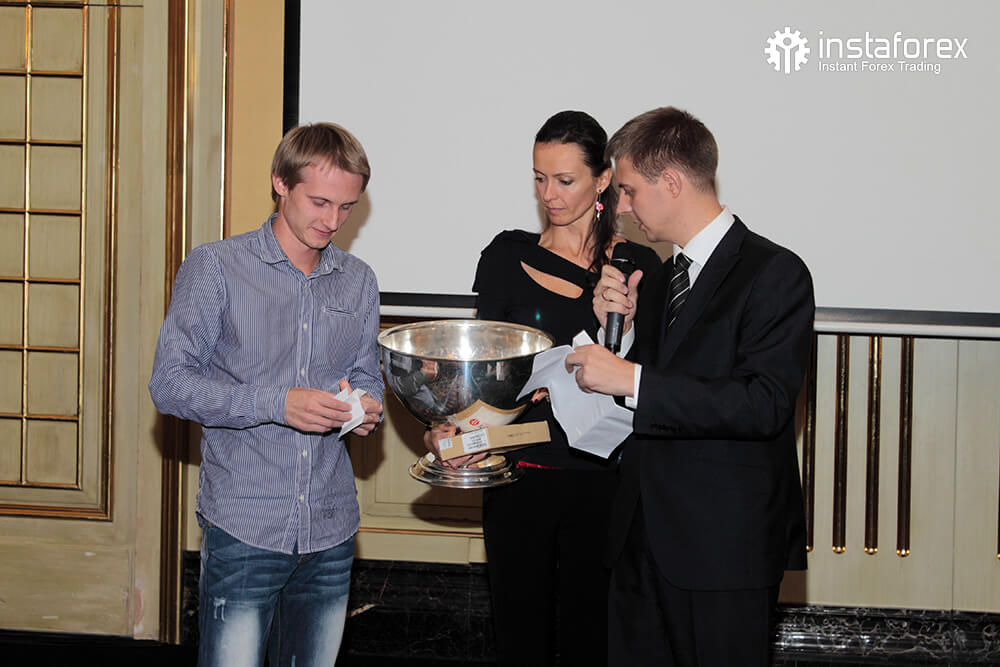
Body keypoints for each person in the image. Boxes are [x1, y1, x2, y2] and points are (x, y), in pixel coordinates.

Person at [567, 107, 814, 666]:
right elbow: (656, 392)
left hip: (721, 549)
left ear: (673, 183)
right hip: (639, 540)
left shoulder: (774, 272)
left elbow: (764, 404)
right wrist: (622, 338)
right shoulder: (660, 280)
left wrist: (630, 377)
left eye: (629, 190)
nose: (620, 208)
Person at [425, 111, 660, 666]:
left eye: (564, 180)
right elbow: (483, 372)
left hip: (605, 480)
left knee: (592, 638)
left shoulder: (638, 265)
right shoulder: (505, 256)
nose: (548, 194)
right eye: (539, 178)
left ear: (603, 180)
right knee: (519, 633)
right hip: (519, 475)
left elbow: (646, 381)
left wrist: (620, 323)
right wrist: (449, 426)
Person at [149, 122, 384, 667]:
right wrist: (276, 403)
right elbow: (169, 384)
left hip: (330, 528)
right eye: (320, 202)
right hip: (244, 527)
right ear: (280, 182)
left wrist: (366, 407)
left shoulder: (359, 280)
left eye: (347, 207)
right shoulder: (216, 267)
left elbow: (365, 375)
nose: (333, 221)